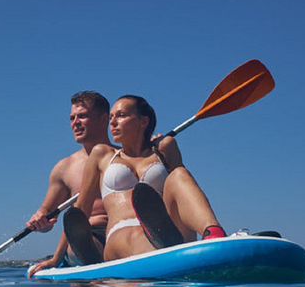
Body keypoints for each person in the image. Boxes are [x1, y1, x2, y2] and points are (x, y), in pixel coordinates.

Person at [65, 95, 226, 264]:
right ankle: (160, 248)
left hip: (170, 228)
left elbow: (185, 191)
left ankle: (213, 231)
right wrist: (57, 258)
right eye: (111, 117)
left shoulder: (164, 148)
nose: (112, 123)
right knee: (131, 236)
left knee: (179, 174)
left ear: (143, 122)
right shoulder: (102, 154)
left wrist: (162, 147)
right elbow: (79, 212)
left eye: (120, 115)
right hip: (123, 231)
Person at [25, 91, 113, 276]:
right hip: (87, 236)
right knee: (78, 240)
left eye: (82, 116)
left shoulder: (127, 156)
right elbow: (46, 213)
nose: (75, 122)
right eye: (72, 118)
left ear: (104, 119)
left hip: (122, 229)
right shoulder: (64, 168)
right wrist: (40, 220)